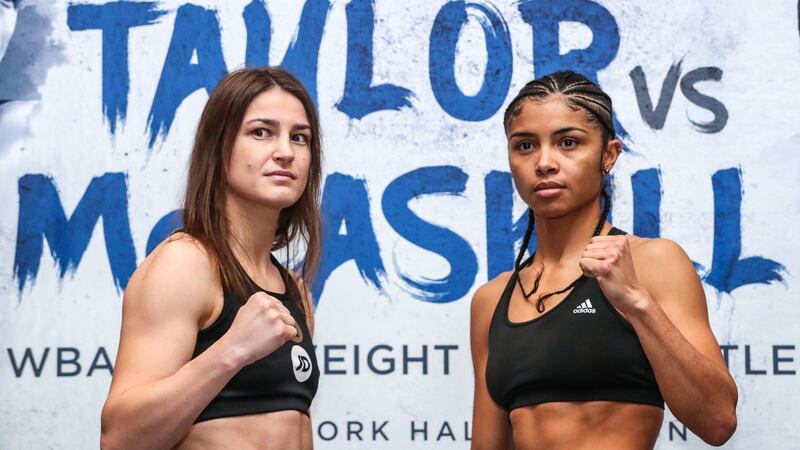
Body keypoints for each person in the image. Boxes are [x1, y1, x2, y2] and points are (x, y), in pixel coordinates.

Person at [470, 71, 738, 449]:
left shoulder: (653, 263)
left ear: (608, 155)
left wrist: (636, 301)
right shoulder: (492, 299)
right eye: (525, 146)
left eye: (568, 142)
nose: (544, 162)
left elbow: (718, 420)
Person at [100, 67, 322, 450]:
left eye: (299, 138)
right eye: (261, 132)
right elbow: (120, 439)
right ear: (219, 149)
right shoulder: (186, 264)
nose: (285, 151)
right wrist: (231, 350)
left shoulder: (295, 290)